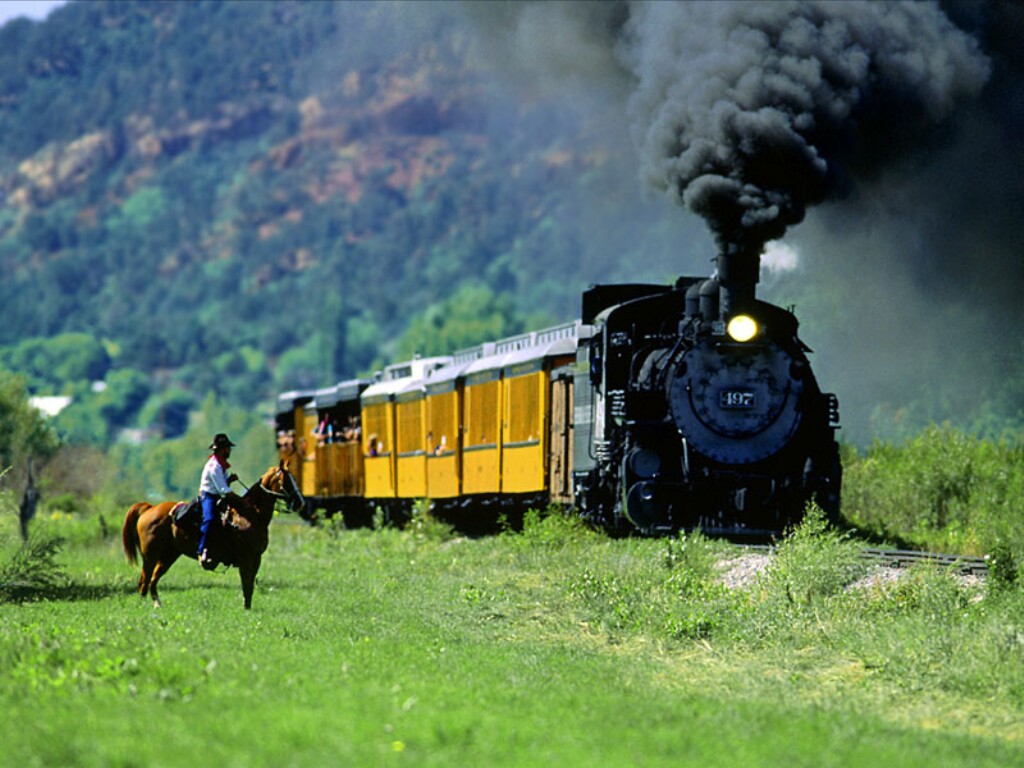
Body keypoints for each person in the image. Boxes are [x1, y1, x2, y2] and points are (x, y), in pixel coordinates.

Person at [197, 433, 243, 570]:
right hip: (208, 496)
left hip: (217, 495)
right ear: (222, 449)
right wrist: (240, 500)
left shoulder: (222, 464)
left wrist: (230, 480)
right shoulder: (214, 466)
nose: (229, 451)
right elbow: (223, 490)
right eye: (228, 448)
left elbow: (222, 484)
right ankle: (201, 550)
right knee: (210, 519)